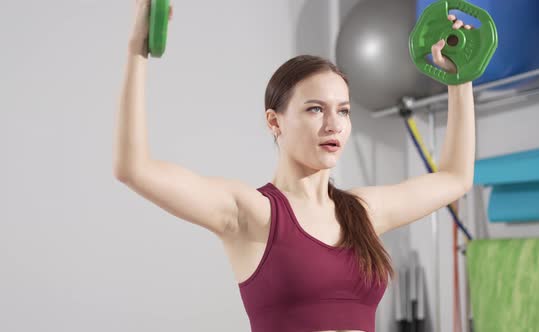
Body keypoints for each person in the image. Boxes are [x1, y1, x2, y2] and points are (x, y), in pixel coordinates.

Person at [114, 1, 474, 331]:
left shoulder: (362, 213)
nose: (333, 124)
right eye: (315, 109)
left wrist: (459, 79)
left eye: (344, 111)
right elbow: (134, 168)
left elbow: (455, 178)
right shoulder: (252, 214)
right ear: (275, 122)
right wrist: (137, 49)